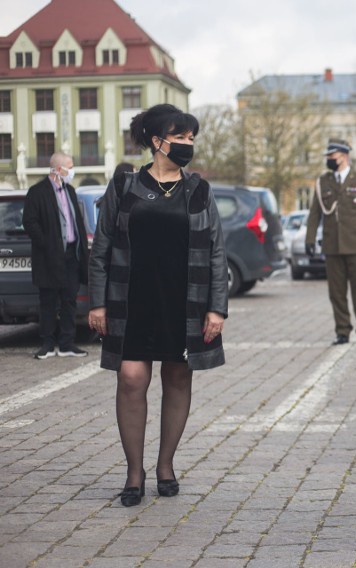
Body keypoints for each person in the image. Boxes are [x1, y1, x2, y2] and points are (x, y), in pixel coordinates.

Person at [88, 104, 228, 507]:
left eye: (190, 138)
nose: (188, 144)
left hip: (184, 300)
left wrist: (216, 309)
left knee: (178, 379)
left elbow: (216, 250)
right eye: (180, 137)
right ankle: (135, 472)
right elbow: (102, 249)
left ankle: (165, 465)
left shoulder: (198, 189)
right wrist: (97, 303)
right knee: (131, 378)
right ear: (156, 141)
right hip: (131, 300)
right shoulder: (124, 186)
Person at [306, 138, 356, 346]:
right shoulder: (323, 182)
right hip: (332, 245)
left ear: (344, 156)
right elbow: (314, 214)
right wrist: (310, 239)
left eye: (332, 156)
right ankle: (342, 331)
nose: (328, 160)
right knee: (336, 292)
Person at [23, 152, 89, 359]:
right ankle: (48, 344)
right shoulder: (37, 191)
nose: (72, 170)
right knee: (48, 301)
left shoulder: (70, 190)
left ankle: (67, 343)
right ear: (58, 169)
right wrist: (46, 243)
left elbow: (76, 220)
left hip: (71, 254)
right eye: (70, 166)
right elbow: (29, 222)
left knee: (69, 300)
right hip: (49, 256)